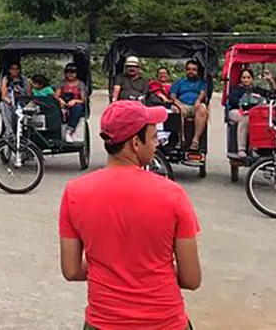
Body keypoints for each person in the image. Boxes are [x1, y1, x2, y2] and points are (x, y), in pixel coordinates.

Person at [59, 101, 201, 330]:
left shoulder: (75, 192)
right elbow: (192, 278)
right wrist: (150, 269)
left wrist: (110, 267)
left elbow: (71, 270)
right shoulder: (172, 194)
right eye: (153, 138)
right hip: (164, 323)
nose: (156, 144)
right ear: (136, 143)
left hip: (103, 323)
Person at [226, 68, 269, 158]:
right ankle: (241, 149)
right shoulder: (235, 89)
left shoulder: (257, 90)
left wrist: (270, 81)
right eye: (244, 77)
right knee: (245, 118)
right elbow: (233, 101)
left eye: (248, 77)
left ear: (252, 79)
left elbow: (269, 95)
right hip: (236, 111)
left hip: (254, 114)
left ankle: (256, 148)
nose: (246, 80)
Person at [169, 60, 209, 152]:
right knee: (176, 110)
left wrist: (198, 101)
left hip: (196, 106)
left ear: (197, 71)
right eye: (189, 69)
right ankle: (181, 139)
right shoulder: (180, 82)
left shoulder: (201, 82)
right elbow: (173, 95)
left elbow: (202, 93)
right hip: (183, 105)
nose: (191, 71)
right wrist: (178, 103)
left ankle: (195, 141)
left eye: (194, 69)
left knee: (202, 109)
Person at [59, 63, 87, 142]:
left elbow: (83, 99)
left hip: (76, 105)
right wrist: (60, 100)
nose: (70, 74)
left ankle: (69, 131)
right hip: (63, 104)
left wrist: (75, 101)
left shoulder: (80, 84)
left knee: (78, 108)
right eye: (68, 72)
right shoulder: (62, 83)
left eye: (73, 72)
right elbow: (56, 95)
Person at [0, 63, 27, 138]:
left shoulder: (23, 79)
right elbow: (3, 96)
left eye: (17, 69)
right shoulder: (6, 79)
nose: (15, 71)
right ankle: (9, 132)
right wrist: (9, 101)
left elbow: (28, 94)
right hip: (10, 101)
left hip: (22, 102)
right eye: (13, 69)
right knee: (3, 105)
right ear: (9, 70)